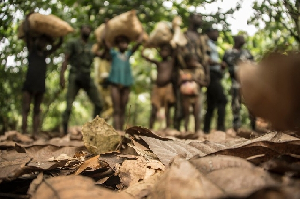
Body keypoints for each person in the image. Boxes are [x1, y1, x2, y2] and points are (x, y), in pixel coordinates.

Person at [22, 13, 63, 137]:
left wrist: (60, 32)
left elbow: (58, 45)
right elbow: (28, 33)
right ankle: (23, 132)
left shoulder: (45, 53)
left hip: (40, 84)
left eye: (45, 42)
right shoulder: (31, 50)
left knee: (36, 110)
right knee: (26, 109)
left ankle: (35, 133)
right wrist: (27, 19)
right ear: (37, 41)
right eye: (41, 40)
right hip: (29, 83)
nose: (43, 43)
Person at [60, 25, 105, 135]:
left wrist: (105, 43)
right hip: (75, 75)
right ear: (81, 30)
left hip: (87, 76)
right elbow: (66, 59)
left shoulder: (92, 46)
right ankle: (64, 130)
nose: (87, 30)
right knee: (69, 106)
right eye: (85, 28)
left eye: (89, 29)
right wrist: (62, 76)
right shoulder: (73, 43)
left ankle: (94, 130)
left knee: (99, 104)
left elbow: (104, 56)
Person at [103, 20, 144, 131]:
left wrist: (142, 30)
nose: (124, 45)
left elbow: (139, 42)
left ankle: (122, 130)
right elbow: (105, 41)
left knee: (123, 109)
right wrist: (106, 27)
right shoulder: (114, 53)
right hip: (115, 83)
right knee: (116, 109)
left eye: (125, 43)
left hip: (126, 83)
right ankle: (117, 131)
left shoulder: (128, 54)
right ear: (118, 44)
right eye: (121, 43)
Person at [173, 13, 210, 131]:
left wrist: (207, 75)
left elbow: (205, 59)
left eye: (201, 17)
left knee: (197, 106)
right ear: (190, 19)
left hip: (198, 73)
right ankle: (180, 131)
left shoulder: (202, 38)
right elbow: (176, 57)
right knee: (181, 106)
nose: (201, 19)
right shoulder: (182, 35)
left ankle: (196, 130)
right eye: (198, 17)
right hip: (184, 71)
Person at [223, 35, 256, 132]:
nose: (244, 40)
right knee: (236, 105)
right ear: (236, 40)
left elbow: (253, 65)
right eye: (242, 38)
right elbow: (223, 65)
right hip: (235, 82)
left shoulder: (247, 53)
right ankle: (236, 128)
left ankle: (253, 127)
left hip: (247, 84)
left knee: (251, 104)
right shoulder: (228, 53)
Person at [141, 43, 176, 129]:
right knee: (154, 109)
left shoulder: (171, 62)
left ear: (169, 52)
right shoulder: (158, 63)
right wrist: (144, 48)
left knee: (167, 111)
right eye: (162, 51)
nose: (164, 52)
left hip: (167, 88)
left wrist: (173, 43)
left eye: (166, 51)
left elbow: (176, 51)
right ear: (159, 53)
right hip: (157, 88)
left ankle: (168, 128)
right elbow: (145, 57)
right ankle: (150, 128)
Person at [203, 28, 228, 133]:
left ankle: (206, 129)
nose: (217, 34)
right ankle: (220, 128)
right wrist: (219, 64)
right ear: (209, 33)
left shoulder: (212, 44)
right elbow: (205, 59)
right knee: (222, 99)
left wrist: (220, 67)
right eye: (215, 32)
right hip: (211, 75)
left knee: (211, 103)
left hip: (215, 74)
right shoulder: (206, 42)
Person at [179, 54, 206, 132]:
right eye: (192, 60)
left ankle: (197, 130)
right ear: (187, 62)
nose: (194, 62)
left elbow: (204, 83)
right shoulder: (183, 71)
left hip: (196, 95)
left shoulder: (199, 71)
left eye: (195, 60)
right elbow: (179, 83)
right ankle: (186, 130)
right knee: (186, 113)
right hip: (186, 96)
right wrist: (184, 79)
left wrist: (196, 80)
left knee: (196, 113)